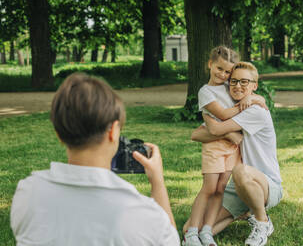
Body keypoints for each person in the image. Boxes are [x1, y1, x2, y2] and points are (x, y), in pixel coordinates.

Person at [10, 73, 180, 246]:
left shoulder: (28, 193)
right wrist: (157, 183)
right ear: (113, 131)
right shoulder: (141, 212)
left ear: (59, 134)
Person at [191, 62, 283, 246]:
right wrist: (228, 132)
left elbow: (215, 130)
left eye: (244, 82)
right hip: (239, 187)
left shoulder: (255, 111)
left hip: (267, 184)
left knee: (240, 170)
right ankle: (244, 212)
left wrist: (206, 115)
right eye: (233, 81)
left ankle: (262, 221)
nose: (238, 86)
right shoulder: (235, 108)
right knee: (194, 228)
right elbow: (196, 134)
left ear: (254, 86)